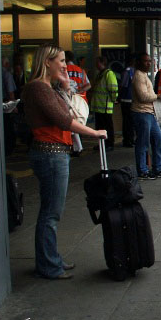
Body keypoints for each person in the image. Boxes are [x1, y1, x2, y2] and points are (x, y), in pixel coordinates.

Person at [22, 44, 106, 279]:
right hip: (50, 154)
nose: (64, 65)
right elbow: (64, 120)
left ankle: (50, 259)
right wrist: (94, 133)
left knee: (52, 211)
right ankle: (48, 265)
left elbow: (71, 113)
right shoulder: (38, 88)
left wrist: (66, 89)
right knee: (51, 213)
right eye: (59, 61)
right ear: (46, 62)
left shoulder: (48, 88)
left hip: (55, 153)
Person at [132, 53, 161, 180]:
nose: (148, 63)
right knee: (143, 143)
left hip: (150, 113)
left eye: (150, 61)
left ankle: (158, 168)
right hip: (141, 113)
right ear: (138, 62)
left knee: (159, 139)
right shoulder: (138, 75)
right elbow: (143, 97)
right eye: (145, 61)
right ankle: (142, 170)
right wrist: (159, 96)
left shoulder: (145, 76)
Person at [90, 56, 118, 151]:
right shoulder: (100, 74)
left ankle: (109, 144)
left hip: (105, 106)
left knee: (107, 127)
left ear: (102, 62)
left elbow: (113, 88)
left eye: (97, 62)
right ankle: (102, 144)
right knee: (100, 127)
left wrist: (114, 99)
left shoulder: (108, 74)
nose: (95, 64)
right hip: (99, 106)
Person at [118, 59, 136, 147]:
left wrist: (119, 96)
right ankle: (130, 139)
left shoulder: (127, 72)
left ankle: (128, 140)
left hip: (126, 99)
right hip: (132, 99)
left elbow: (122, 85)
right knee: (131, 121)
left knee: (127, 121)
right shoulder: (134, 72)